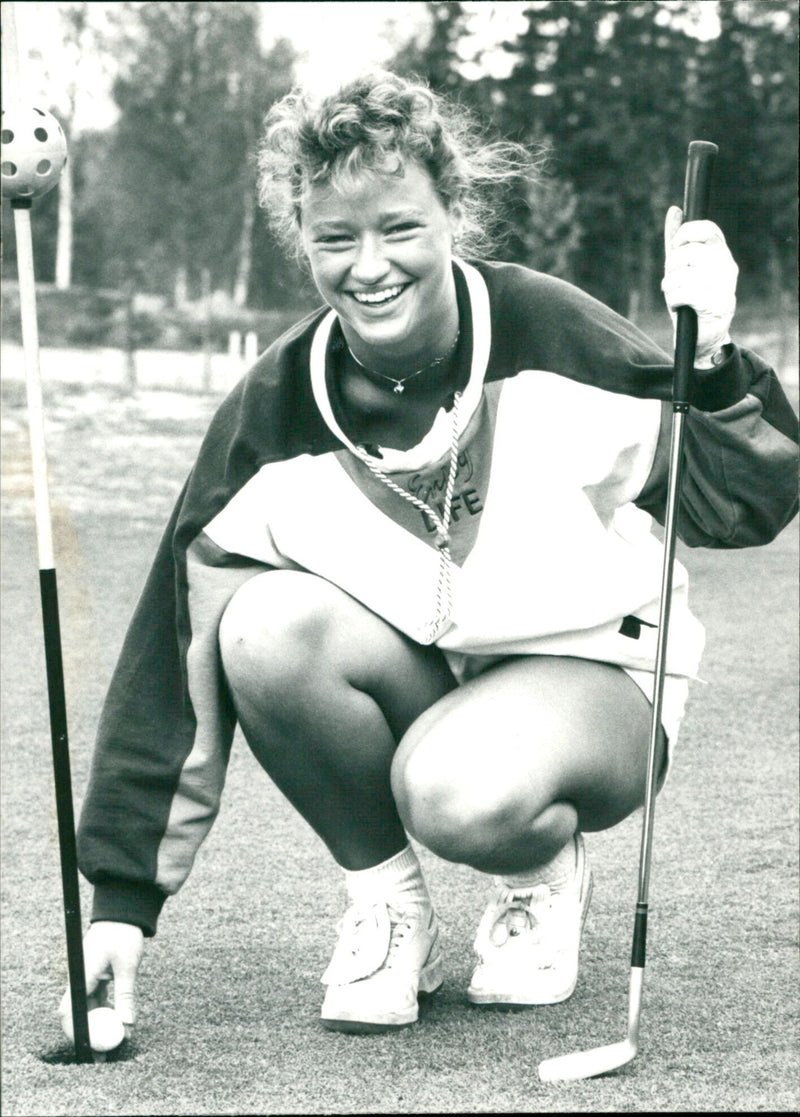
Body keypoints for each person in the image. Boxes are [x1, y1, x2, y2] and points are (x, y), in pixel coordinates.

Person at [61, 71, 798, 1039]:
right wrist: (121, 901)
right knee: (262, 628)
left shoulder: (553, 330)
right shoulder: (272, 408)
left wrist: (709, 359)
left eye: (398, 227)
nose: (369, 266)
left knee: (456, 791)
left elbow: (740, 505)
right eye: (335, 238)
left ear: (454, 214)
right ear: (303, 242)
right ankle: (387, 905)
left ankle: (539, 872)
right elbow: (176, 638)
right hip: (431, 673)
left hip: (596, 675)